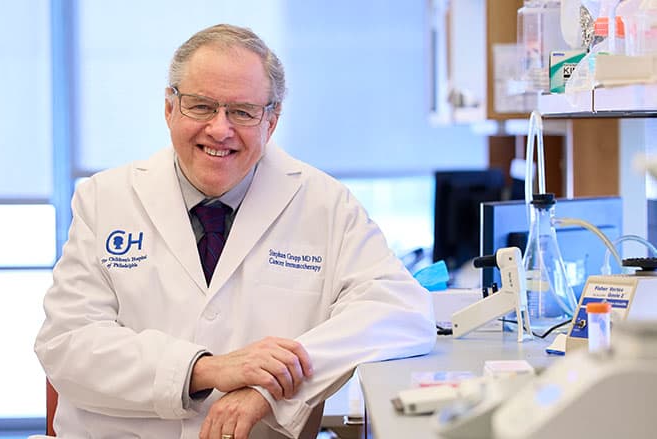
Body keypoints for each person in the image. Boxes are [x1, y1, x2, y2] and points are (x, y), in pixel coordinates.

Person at [34, 23, 436, 439]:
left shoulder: (325, 204)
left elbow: (402, 312)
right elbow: (66, 344)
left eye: (242, 111)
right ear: (169, 108)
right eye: (201, 106)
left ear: (272, 120)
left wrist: (268, 386)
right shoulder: (105, 198)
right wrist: (205, 369)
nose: (220, 129)